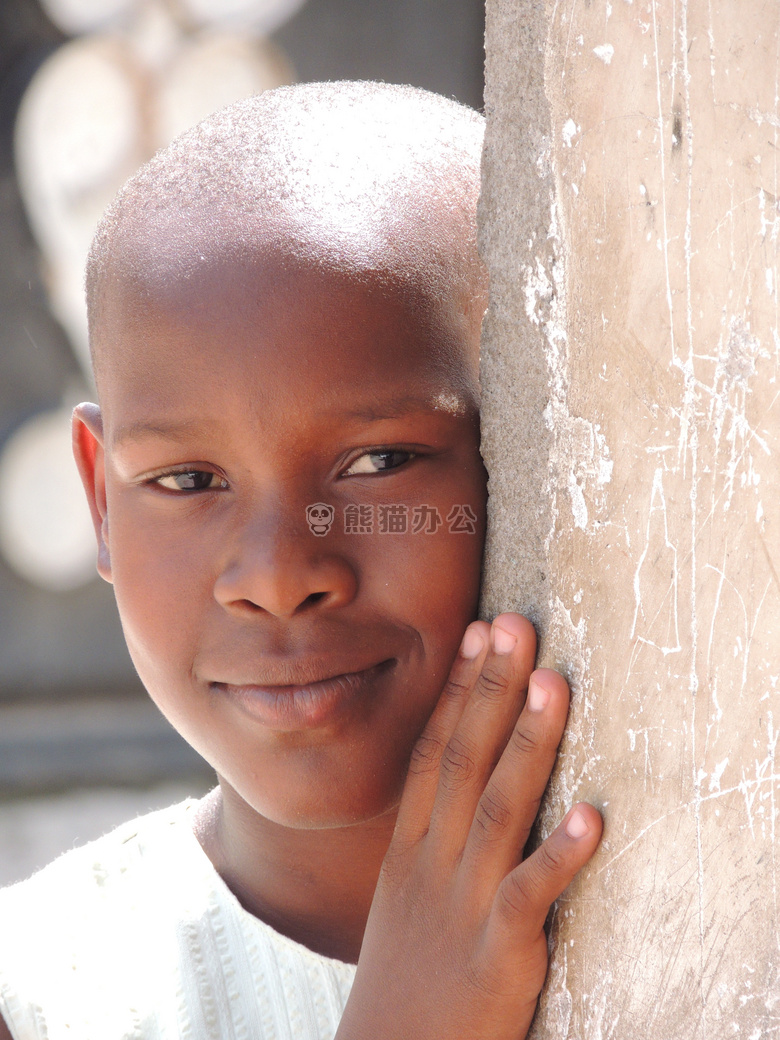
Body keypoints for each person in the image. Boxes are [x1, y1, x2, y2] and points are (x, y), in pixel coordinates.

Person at [0, 81, 602, 1040]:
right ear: (98, 498)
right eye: (189, 480)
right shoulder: (40, 990)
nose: (279, 577)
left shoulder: (697, 899)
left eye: (378, 463)